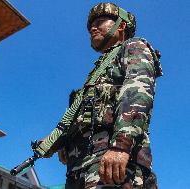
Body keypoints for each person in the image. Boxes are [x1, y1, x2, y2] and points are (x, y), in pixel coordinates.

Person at [35, 2, 162, 189]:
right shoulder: (98, 72)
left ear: (121, 25)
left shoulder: (133, 46)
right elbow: (83, 117)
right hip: (80, 169)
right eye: (90, 26)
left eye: (101, 21)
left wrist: (121, 145)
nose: (92, 28)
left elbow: (136, 94)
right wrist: (56, 143)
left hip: (112, 165)